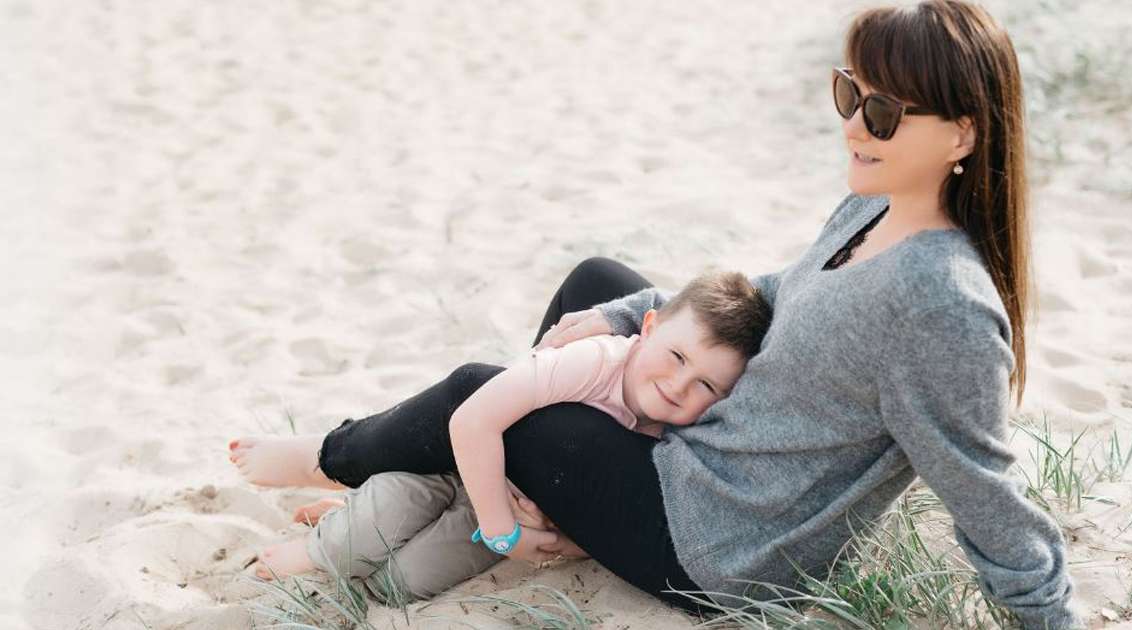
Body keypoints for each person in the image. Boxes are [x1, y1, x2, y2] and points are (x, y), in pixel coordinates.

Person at [230, 1, 1085, 627]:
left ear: (963, 135)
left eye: (886, 112)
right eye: (850, 94)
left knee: (481, 391)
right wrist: (624, 317)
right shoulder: (875, 207)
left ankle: (336, 458)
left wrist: (1049, 618)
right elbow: (776, 294)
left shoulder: (941, 305)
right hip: (698, 448)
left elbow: (983, 488)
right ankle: (495, 498)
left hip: (720, 542)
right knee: (595, 285)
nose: (856, 125)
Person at [234, 272, 772, 601]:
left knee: (405, 582)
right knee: (383, 516)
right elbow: (472, 418)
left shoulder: (676, 436)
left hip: (504, 509)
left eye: (707, 385)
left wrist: (550, 536)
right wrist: (504, 535)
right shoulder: (594, 361)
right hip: (461, 463)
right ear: (647, 328)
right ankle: (315, 548)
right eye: (676, 357)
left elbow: (609, 513)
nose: (679, 385)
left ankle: (342, 517)